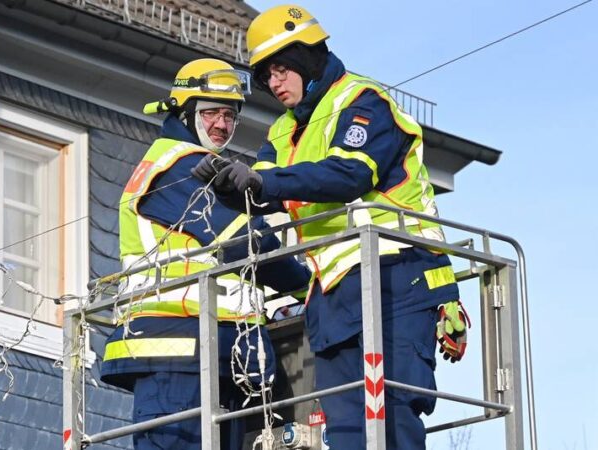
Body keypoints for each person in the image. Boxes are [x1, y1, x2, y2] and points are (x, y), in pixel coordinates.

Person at [193, 5, 467, 449]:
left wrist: (262, 180)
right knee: (343, 430)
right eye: (265, 77)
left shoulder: (363, 101)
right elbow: (264, 189)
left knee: (392, 417)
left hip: (397, 277)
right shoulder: (283, 130)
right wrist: (231, 186)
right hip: (334, 290)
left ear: (308, 58)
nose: (274, 84)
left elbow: (350, 174)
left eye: (281, 69)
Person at [100, 58, 310, 450]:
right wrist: (311, 288)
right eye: (211, 112)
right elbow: (246, 242)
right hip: (175, 351)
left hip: (217, 353)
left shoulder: (205, 168)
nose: (222, 125)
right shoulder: (179, 166)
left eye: (230, 116)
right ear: (184, 112)